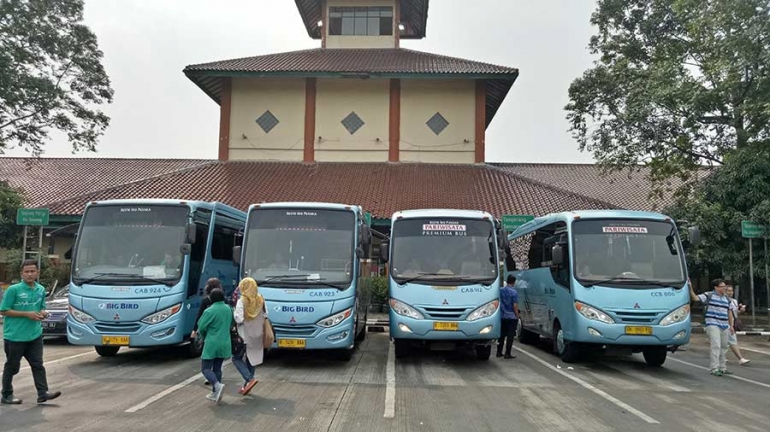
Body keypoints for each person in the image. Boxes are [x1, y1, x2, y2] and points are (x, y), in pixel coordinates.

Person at [1, 260, 62, 404]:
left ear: (37, 273)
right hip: (15, 336)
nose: (29, 274)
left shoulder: (40, 289)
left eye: (32, 271)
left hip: (34, 335)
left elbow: (41, 307)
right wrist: (26, 314)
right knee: (12, 367)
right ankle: (6, 394)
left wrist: (43, 313)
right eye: (26, 271)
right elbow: (3, 310)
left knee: (38, 365)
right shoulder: (13, 290)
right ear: (21, 273)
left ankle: (43, 393)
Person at [689, 278, 734, 376]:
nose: (725, 288)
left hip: (724, 325)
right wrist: (690, 288)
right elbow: (695, 298)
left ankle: (723, 367)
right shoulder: (709, 295)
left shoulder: (726, 298)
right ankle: (714, 368)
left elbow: (729, 312)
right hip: (712, 324)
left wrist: (731, 325)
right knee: (716, 346)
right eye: (722, 286)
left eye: (725, 286)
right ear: (716, 287)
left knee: (724, 347)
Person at [196, 288, 232, 403]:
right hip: (225, 341)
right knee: (217, 367)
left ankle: (217, 386)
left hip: (212, 342)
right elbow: (232, 324)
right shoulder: (229, 309)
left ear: (211, 298)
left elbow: (201, 327)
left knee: (205, 368)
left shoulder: (209, 311)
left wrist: (205, 336)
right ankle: (215, 393)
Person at [232, 277, 267, 396]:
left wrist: (234, 313)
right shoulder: (260, 299)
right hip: (257, 334)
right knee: (251, 359)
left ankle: (249, 379)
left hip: (244, 334)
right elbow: (266, 315)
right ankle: (248, 384)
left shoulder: (242, 300)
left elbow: (239, 318)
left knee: (236, 358)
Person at [725, 284, 750, 365]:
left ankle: (722, 357)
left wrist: (741, 310)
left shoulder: (734, 301)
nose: (730, 292)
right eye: (728, 291)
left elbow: (735, 313)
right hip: (724, 323)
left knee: (727, 342)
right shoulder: (723, 301)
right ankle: (740, 358)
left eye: (731, 291)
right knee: (731, 341)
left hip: (731, 324)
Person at [497, 274, 520, 359]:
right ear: (514, 282)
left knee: (502, 335)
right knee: (510, 336)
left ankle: (499, 352)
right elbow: (515, 305)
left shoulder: (501, 290)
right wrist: (517, 315)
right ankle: (507, 353)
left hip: (502, 316)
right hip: (511, 317)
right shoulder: (514, 292)